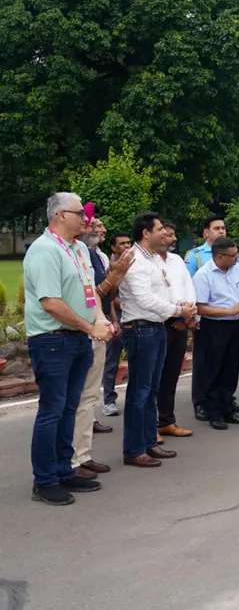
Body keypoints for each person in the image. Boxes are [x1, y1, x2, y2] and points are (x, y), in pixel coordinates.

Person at [24, 192, 114, 505]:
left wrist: (100, 321)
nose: (86, 218)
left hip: (77, 338)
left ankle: (65, 469)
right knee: (52, 410)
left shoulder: (78, 249)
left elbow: (92, 294)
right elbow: (50, 302)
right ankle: (45, 480)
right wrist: (90, 327)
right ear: (61, 215)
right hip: (53, 340)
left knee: (69, 408)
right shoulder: (45, 250)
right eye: (80, 212)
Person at [119, 212, 194, 468]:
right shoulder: (135, 260)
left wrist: (180, 305)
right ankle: (133, 449)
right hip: (141, 330)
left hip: (156, 328)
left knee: (151, 390)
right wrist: (178, 311)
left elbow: (164, 291)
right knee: (139, 392)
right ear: (145, 233)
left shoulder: (154, 259)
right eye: (160, 228)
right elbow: (144, 299)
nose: (164, 232)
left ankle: (149, 440)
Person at [70, 214, 133, 480]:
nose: (99, 228)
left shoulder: (87, 253)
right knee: (73, 400)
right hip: (76, 331)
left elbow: (96, 295)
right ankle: (71, 460)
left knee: (87, 397)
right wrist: (115, 277)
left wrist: (106, 320)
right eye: (93, 224)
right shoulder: (59, 252)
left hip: (96, 327)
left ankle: (82, 455)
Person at [193, 237, 239, 430]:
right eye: (233, 255)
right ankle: (214, 412)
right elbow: (201, 308)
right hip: (213, 326)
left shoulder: (237, 269)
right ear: (219, 256)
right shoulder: (203, 275)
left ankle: (227, 408)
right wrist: (230, 311)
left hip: (233, 326)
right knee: (213, 369)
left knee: (231, 368)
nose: (237, 257)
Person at [156, 221, 197, 439]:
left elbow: (188, 287)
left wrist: (188, 316)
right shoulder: (148, 261)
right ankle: (150, 425)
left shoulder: (177, 261)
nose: (171, 239)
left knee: (172, 374)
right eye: (167, 235)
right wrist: (177, 313)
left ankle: (166, 420)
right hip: (159, 323)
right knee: (154, 377)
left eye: (172, 235)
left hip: (181, 323)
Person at [101, 232, 132, 417]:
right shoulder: (110, 267)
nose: (126, 246)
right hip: (118, 314)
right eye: (121, 244)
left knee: (135, 359)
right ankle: (109, 400)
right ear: (113, 247)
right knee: (112, 360)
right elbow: (110, 296)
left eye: (128, 242)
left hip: (135, 316)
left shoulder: (135, 264)